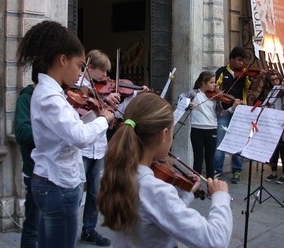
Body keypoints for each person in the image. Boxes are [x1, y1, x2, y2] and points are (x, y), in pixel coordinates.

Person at [16, 20, 114, 248]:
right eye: (80, 66)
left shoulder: (52, 93)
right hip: (57, 184)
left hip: (54, 181)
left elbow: (66, 130)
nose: (81, 72)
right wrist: (104, 119)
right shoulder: (50, 96)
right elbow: (79, 136)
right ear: (62, 60)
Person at [98, 93, 233, 248]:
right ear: (164, 135)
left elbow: (159, 213)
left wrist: (188, 194)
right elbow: (215, 240)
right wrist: (221, 196)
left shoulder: (114, 174)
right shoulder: (155, 190)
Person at [76, 49, 148, 246]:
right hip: (81, 148)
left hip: (99, 148)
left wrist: (133, 95)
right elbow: (79, 116)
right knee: (75, 193)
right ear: (89, 68)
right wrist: (98, 103)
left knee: (94, 193)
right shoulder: (76, 89)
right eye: (103, 72)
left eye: (108, 73)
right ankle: (67, 230)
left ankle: (89, 230)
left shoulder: (103, 91)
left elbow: (116, 116)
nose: (107, 77)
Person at [179, 71, 241, 180]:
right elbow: (181, 97)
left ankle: (210, 185)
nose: (215, 85)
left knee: (210, 159)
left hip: (211, 129)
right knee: (198, 158)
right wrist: (189, 103)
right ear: (203, 83)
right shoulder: (194, 93)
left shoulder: (215, 97)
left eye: (215, 82)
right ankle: (195, 184)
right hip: (197, 129)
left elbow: (221, 113)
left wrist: (233, 108)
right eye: (212, 82)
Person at [214, 46, 253, 184]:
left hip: (240, 113)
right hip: (224, 112)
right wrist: (228, 97)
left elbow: (251, 89)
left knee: (238, 142)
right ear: (231, 59)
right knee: (220, 141)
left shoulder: (244, 74)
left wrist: (260, 77)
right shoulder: (221, 71)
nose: (241, 63)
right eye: (239, 60)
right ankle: (216, 170)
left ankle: (237, 170)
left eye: (243, 61)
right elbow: (215, 89)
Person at [15, 62, 42, 248]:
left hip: (53, 172)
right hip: (34, 171)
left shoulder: (59, 97)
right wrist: (51, 131)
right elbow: (22, 132)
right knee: (33, 225)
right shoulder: (26, 98)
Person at [251, 70, 284, 184]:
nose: (275, 82)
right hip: (271, 123)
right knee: (273, 148)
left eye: (277, 79)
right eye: (272, 80)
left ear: (280, 78)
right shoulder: (267, 91)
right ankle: (273, 173)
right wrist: (262, 106)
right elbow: (258, 102)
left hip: (283, 122)